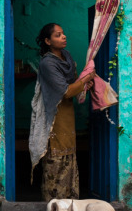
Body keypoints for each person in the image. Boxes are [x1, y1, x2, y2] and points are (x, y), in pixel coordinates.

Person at [29, 23, 95, 201]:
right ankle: (55, 208)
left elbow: (73, 85)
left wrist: (84, 83)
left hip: (67, 118)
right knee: (55, 166)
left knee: (69, 163)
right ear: (48, 41)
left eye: (63, 34)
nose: (64, 37)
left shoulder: (66, 56)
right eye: (58, 35)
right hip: (54, 119)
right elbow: (66, 92)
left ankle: (70, 209)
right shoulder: (48, 63)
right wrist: (85, 80)